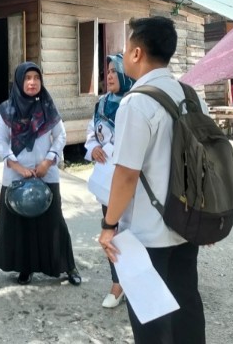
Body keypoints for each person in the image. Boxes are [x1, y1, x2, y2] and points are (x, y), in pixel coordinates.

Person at [98, 17, 209, 344]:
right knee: (186, 304)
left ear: (135, 53)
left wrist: (109, 225)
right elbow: (206, 160)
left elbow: (127, 173)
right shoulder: (190, 95)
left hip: (148, 234)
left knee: (152, 320)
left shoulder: (137, 102)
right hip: (186, 225)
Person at [0, 62, 80, 287]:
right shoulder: (6, 110)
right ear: (19, 82)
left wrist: (48, 160)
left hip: (46, 174)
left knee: (54, 223)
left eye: (36, 78)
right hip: (16, 176)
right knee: (21, 225)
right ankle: (25, 268)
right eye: (27, 78)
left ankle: (68, 266)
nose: (32, 82)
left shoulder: (49, 108)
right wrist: (17, 167)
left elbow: (61, 136)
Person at [84, 54, 134, 308]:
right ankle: (117, 285)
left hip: (134, 183)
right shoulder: (102, 105)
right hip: (108, 183)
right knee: (111, 231)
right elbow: (91, 134)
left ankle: (138, 282)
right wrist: (92, 148)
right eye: (108, 72)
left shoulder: (137, 103)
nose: (110, 76)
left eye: (116, 70)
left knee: (135, 233)